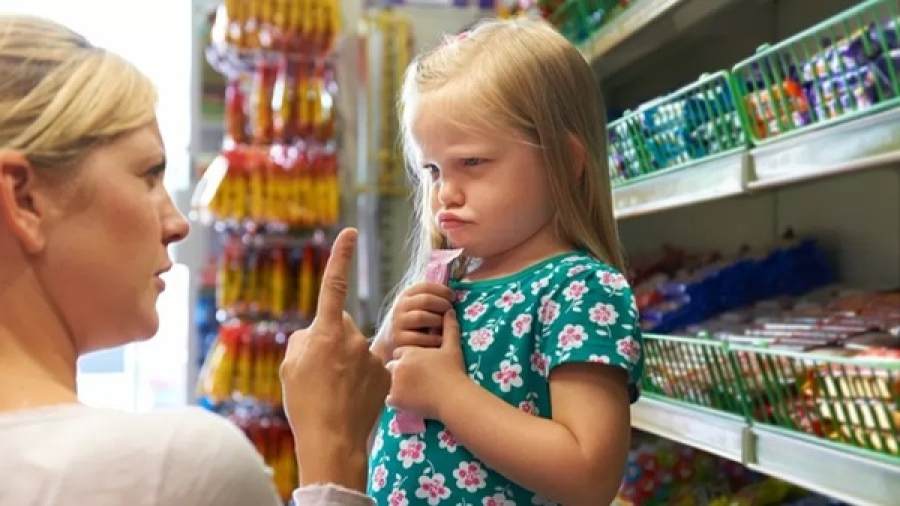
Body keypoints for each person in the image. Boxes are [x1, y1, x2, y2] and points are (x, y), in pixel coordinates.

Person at [0, 14, 386, 506]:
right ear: (24, 199)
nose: (178, 223)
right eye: (147, 175)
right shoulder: (170, 468)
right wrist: (335, 454)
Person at [367, 17, 645, 506]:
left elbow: (590, 475)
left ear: (566, 161)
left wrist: (447, 395)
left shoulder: (580, 289)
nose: (444, 193)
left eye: (472, 163)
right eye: (431, 169)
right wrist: (387, 341)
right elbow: (358, 411)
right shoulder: (452, 284)